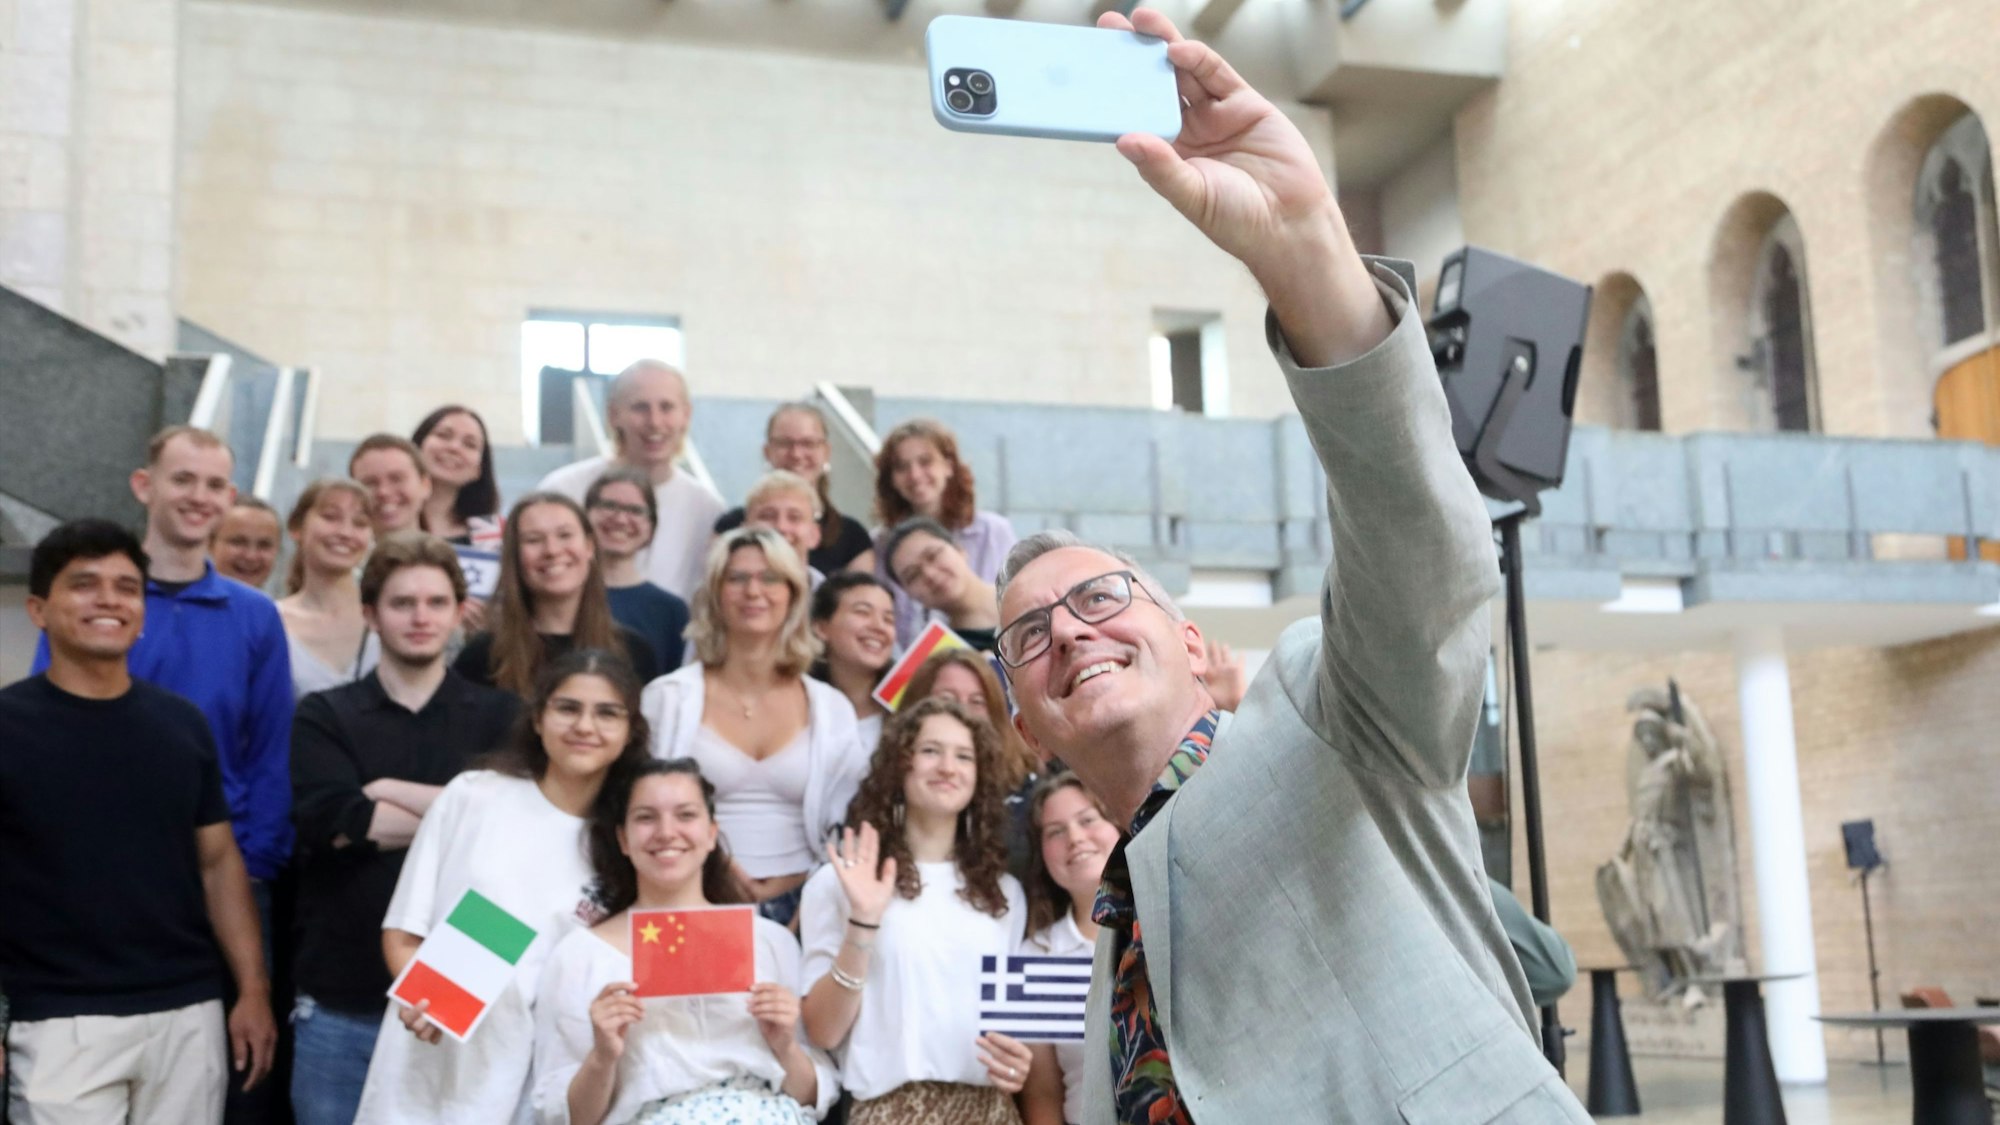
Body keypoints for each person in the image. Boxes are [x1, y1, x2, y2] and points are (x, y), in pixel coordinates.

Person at [991, 10, 1589, 1121]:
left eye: (1098, 597)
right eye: (1026, 637)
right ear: (1026, 725)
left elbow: (1423, 549)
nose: (1067, 631)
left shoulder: (1329, 717)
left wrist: (1303, 248)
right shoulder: (1107, 953)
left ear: (1184, 637)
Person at [2, 520, 277, 1122]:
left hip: (186, 1010)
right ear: (38, 610)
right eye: (84, 584)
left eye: (127, 587)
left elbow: (219, 863)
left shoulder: (182, 726)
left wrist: (253, 992)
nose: (109, 599)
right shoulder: (6, 726)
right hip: (56, 1020)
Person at [356, 649, 652, 1125]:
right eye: (567, 708)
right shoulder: (474, 795)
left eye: (607, 713)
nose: (585, 726)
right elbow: (403, 932)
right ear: (538, 718)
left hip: (529, 1084)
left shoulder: (627, 844)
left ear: (630, 731)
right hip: (424, 1068)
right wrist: (423, 1004)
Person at [288, 533, 520, 1125]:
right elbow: (337, 825)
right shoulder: (323, 714)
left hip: (467, 996)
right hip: (344, 998)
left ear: (458, 611)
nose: (421, 617)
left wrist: (384, 791)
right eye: (402, 603)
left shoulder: (501, 716)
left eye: (436, 602)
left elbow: (508, 831)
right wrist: (459, 815)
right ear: (370, 613)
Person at [30, 425, 295, 933]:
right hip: (96, 866)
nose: (199, 497)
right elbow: (49, 728)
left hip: (223, 875)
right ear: (143, 485)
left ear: (230, 497)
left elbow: (270, 750)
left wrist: (257, 863)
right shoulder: (92, 608)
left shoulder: (256, 616)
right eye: (183, 480)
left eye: (215, 485)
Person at [530, 759, 838, 1124]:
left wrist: (784, 1043)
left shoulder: (770, 941)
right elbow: (566, 1117)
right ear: (623, 839)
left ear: (711, 834)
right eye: (646, 818)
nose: (666, 832)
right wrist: (603, 1056)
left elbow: (812, 1097)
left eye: (686, 815)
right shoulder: (579, 956)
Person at [798, 696, 1032, 1124]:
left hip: (991, 1111)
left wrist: (1019, 1062)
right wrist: (864, 919)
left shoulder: (1004, 894)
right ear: (899, 764)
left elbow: (1009, 1030)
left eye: (964, 756)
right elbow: (822, 1031)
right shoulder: (839, 881)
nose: (948, 767)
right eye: (930, 751)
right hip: (889, 1112)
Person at [639, 527, 869, 926]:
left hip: (808, 906)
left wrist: (811, 887)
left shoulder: (832, 709)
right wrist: (712, 867)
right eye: (737, 578)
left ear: (794, 595)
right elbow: (639, 805)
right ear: (714, 593)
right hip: (691, 897)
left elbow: (848, 819)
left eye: (770, 578)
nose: (753, 591)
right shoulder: (667, 698)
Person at [537, 360, 724, 600]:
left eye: (666, 407)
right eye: (640, 407)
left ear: (686, 415)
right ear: (614, 414)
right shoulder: (562, 491)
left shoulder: (707, 509)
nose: (655, 422)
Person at [455, 492, 659, 696]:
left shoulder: (634, 652)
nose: (552, 550)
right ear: (514, 556)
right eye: (533, 540)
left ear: (589, 546)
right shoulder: (482, 656)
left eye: (565, 535)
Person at [1017, 773, 1120, 1125]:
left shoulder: (1163, 916)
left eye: (1088, 820)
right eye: (1055, 832)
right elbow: (1042, 1096)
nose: (1075, 838)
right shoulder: (1035, 956)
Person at [871, 418, 1014, 646]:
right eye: (901, 467)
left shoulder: (993, 530)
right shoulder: (879, 544)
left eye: (925, 461)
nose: (915, 475)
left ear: (948, 465)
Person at [902, 648, 1041, 879]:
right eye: (947, 698)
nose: (961, 710)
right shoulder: (888, 790)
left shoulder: (1031, 790)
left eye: (977, 702)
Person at [715, 401, 875, 575]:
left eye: (808, 443)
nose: (796, 454)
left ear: (826, 452)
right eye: (784, 443)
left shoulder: (852, 539)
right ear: (767, 452)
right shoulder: (730, 528)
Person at [277, 479, 381, 701]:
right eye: (330, 517)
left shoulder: (388, 617)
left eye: (360, 523)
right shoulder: (270, 620)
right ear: (297, 527)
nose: (345, 532)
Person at [585, 466, 690, 674]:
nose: (621, 519)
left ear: (651, 527)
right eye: (609, 506)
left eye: (635, 511)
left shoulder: (671, 610)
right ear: (585, 515)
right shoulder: (560, 594)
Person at [884, 517, 1002, 652]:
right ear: (908, 594)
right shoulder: (945, 658)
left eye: (933, 556)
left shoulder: (1026, 592)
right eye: (913, 575)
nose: (930, 575)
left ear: (959, 549)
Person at [806, 572, 894, 753]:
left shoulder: (912, 702)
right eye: (862, 612)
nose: (879, 626)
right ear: (821, 628)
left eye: (889, 619)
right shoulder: (797, 699)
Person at [412, 404, 505, 548]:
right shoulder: (388, 520)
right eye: (443, 435)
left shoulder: (492, 535)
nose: (454, 447)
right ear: (418, 445)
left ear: (479, 469)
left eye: (469, 444)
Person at [742, 470, 828, 589]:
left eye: (794, 517)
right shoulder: (717, 597)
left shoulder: (834, 602)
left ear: (814, 534)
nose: (781, 527)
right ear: (743, 530)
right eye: (768, 516)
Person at [349, 434, 433, 537]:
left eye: (396, 479)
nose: (383, 492)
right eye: (370, 483)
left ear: (425, 485)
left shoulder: (452, 553)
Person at [213, 497, 283, 590]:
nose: (251, 556)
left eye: (264, 545)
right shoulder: (189, 602)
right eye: (238, 542)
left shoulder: (273, 605)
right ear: (210, 544)